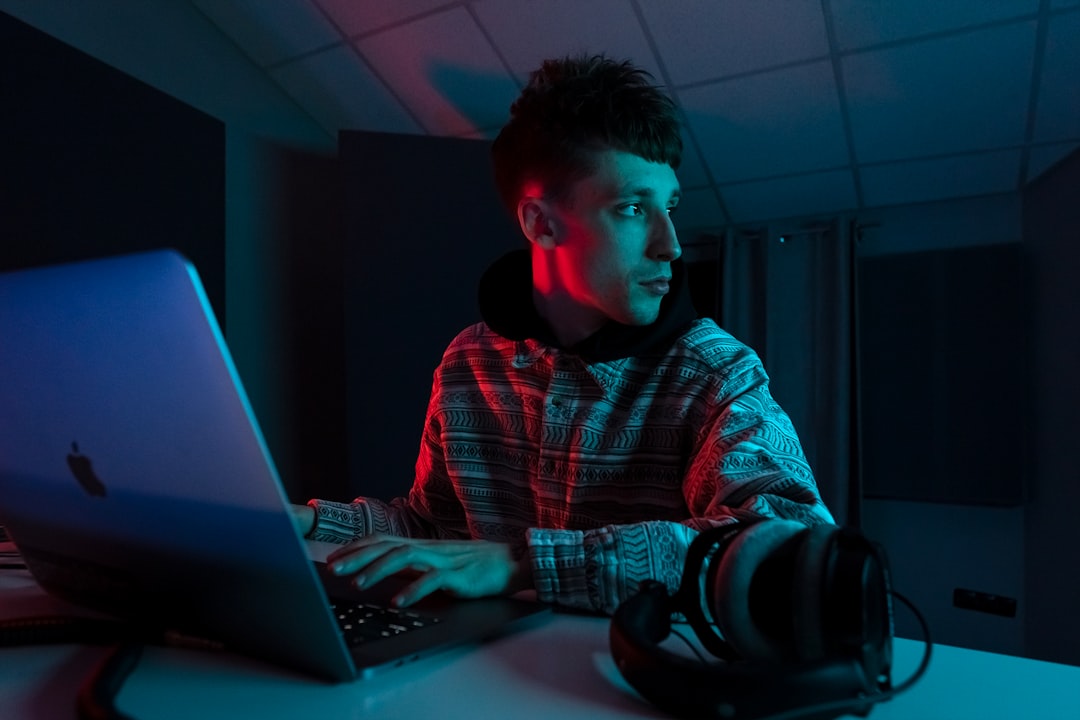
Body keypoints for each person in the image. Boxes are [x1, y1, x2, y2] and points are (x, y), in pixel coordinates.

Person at [291, 54, 834, 615]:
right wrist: (307, 520)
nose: (670, 244)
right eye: (631, 208)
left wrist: (522, 565)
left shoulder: (715, 369)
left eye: (669, 206)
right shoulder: (467, 362)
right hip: (480, 676)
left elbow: (794, 545)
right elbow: (431, 527)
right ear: (540, 223)